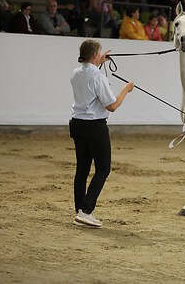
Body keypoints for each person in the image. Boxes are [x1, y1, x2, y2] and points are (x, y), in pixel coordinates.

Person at [70, 39, 134, 228]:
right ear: (95, 55)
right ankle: (87, 211)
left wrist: (100, 61)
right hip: (94, 127)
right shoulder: (98, 76)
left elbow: (89, 70)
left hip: (77, 124)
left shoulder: (76, 73)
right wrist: (125, 90)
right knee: (103, 169)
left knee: (82, 170)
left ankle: (80, 211)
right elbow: (112, 105)